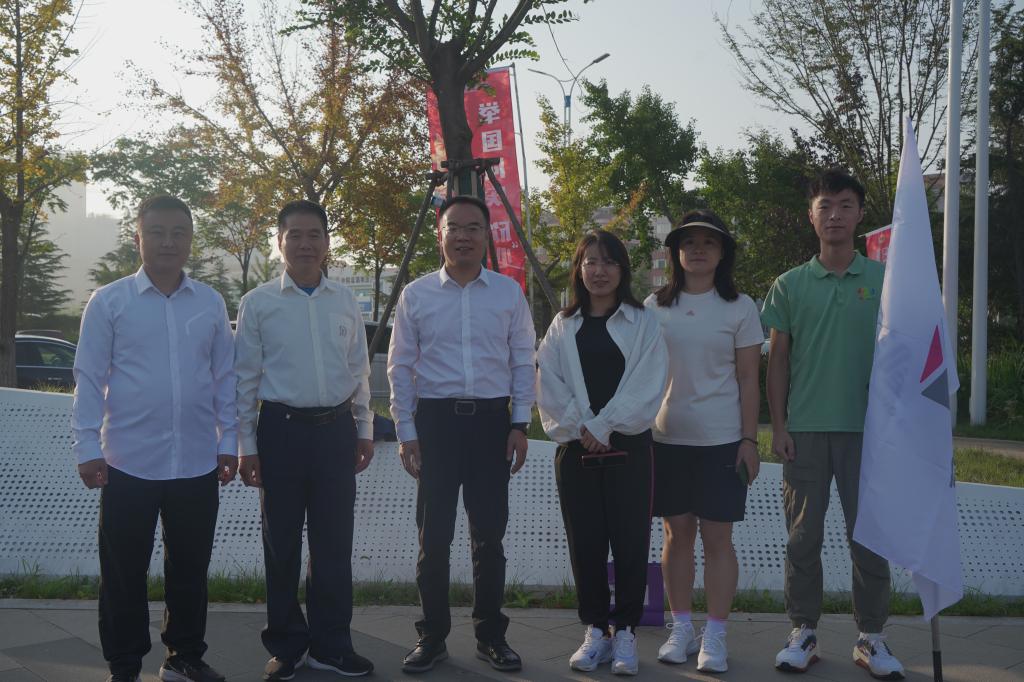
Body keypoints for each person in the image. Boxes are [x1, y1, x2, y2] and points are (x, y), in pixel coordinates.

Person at [71, 195, 237, 682]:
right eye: (158, 232)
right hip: (127, 461)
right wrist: (87, 447)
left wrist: (228, 441)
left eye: (179, 233)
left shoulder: (209, 302)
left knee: (190, 567)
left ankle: (184, 656)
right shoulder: (109, 301)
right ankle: (123, 665)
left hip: (197, 460)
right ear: (138, 238)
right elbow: (89, 378)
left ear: (190, 239)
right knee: (123, 571)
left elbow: (224, 377)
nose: (169, 242)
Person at [762, 169, 904, 680]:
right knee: (803, 539)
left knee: (870, 541)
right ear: (811, 216)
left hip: (871, 434)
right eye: (825, 206)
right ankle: (802, 631)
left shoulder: (885, 281)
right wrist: (779, 427)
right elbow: (778, 362)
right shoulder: (790, 285)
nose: (835, 215)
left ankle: (872, 637)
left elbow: (904, 357)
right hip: (805, 432)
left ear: (860, 213)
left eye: (845, 205)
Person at [387, 194, 536, 674]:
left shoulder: (508, 293)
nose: (464, 236)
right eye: (455, 227)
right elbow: (400, 367)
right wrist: (407, 431)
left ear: (487, 235)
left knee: (489, 537)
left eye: (474, 227)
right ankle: (431, 637)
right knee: (433, 538)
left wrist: (520, 423)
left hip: (492, 425)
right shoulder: (416, 295)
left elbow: (522, 360)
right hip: (436, 425)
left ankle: (491, 636)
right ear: (440, 234)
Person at [235, 200, 375, 680]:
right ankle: (287, 645)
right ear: (280, 242)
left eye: (314, 234)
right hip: (281, 432)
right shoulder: (258, 303)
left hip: (336, 432)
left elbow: (359, 370)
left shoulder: (344, 300)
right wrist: (246, 445)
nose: (305, 244)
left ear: (327, 242)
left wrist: (363, 428)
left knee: (334, 545)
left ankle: (332, 644)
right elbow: (244, 380)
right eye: (294, 235)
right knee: (281, 545)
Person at [536, 230, 667, 677]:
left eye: (609, 261)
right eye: (589, 261)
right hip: (577, 449)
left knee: (630, 541)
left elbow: (650, 381)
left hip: (628, 446)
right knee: (586, 543)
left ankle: (626, 631)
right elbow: (548, 382)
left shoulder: (642, 321)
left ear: (622, 270)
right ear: (578, 269)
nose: (598, 271)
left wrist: (605, 424)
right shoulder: (562, 325)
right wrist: (585, 426)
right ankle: (595, 629)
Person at [644, 210, 763, 674]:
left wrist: (749, 439)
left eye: (708, 243)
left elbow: (749, 378)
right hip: (665, 439)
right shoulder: (654, 307)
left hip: (723, 441)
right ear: (676, 252)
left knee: (718, 539)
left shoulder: (740, 307)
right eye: (688, 242)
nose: (697, 250)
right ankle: (681, 627)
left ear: (722, 252)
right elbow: (641, 375)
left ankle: (715, 633)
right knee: (676, 535)